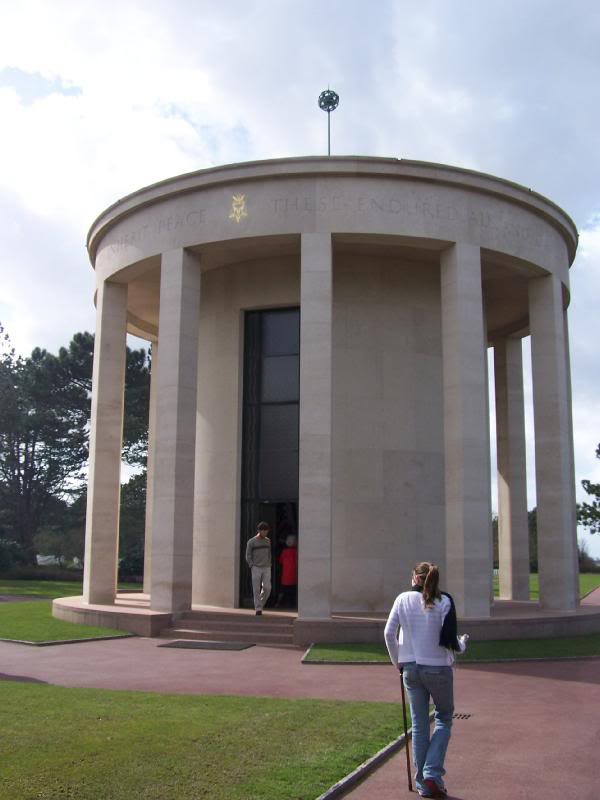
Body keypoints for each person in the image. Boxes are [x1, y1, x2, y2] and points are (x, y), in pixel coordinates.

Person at [384, 562, 468, 799]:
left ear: (414, 578)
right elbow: (450, 641)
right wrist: (463, 643)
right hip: (438, 668)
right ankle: (431, 773)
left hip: (410, 668)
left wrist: (397, 661)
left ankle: (423, 781)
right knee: (443, 717)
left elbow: (388, 633)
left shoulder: (402, 599)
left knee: (419, 725)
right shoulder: (445, 601)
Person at [245, 522, 272, 615]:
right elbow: (248, 554)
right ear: (259, 531)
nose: (265, 532)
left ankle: (260, 603)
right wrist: (251, 564)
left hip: (266, 566)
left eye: (266, 531)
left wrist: (269, 563)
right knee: (256, 588)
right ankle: (258, 608)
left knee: (267, 587)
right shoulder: (251, 542)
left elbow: (269, 553)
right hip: (256, 567)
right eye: (263, 530)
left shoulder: (268, 541)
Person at [276, 534, 298, 608]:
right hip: (294, 576)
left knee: (283, 591)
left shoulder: (284, 552)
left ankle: (278, 603)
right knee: (293, 591)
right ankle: (292, 604)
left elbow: (280, 561)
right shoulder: (296, 552)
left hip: (285, 576)